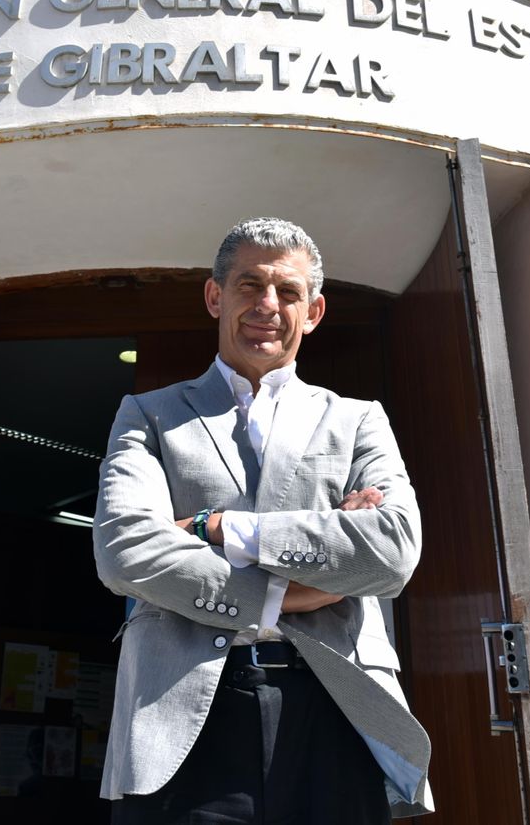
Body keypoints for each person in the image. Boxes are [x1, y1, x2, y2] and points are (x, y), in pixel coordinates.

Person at [93, 217, 432, 823]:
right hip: (181, 714)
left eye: (288, 292)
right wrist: (299, 587)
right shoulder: (147, 414)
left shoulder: (358, 420)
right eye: (250, 285)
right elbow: (126, 550)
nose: (267, 305)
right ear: (214, 295)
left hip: (338, 708)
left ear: (314, 310)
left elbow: (393, 550)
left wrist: (218, 528)